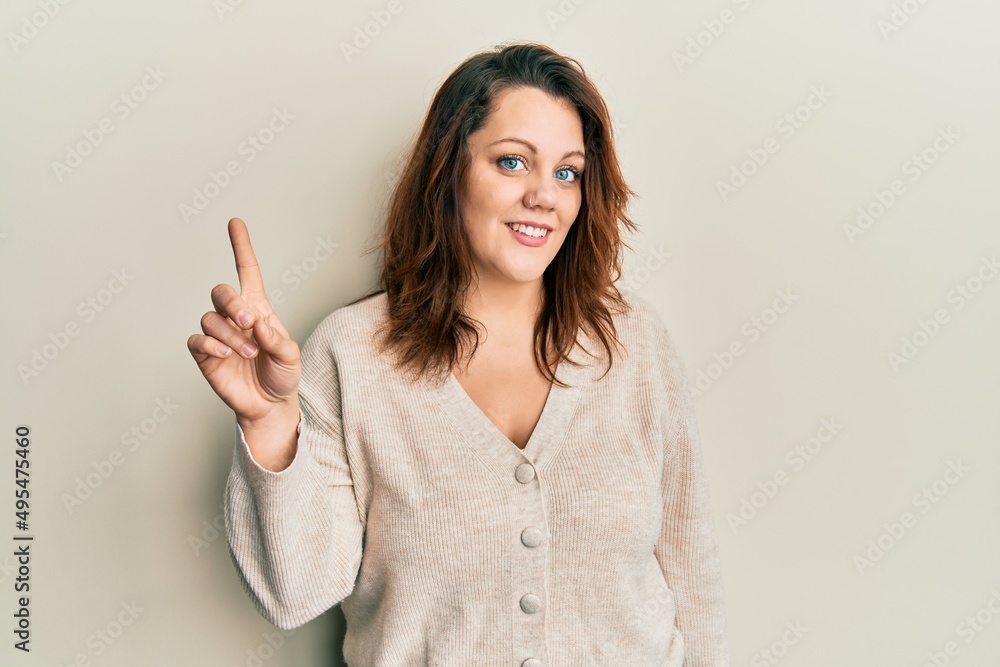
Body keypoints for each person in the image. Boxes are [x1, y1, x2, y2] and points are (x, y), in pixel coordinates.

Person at [188, 41, 731, 666]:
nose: (544, 195)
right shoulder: (352, 354)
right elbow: (295, 593)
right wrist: (268, 422)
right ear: (449, 171)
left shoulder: (634, 343)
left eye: (567, 172)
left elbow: (692, 573)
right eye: (512, 162)